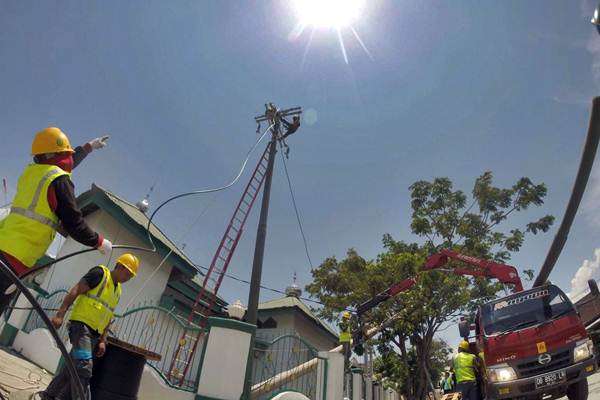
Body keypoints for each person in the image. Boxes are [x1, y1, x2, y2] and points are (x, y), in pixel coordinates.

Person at [0, 127, 112, 313]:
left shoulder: (32, 174)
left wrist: (88, 147)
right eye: (66, 153)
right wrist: (99, 242)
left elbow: (62, 164)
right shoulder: (59, 180)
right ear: (58, 154)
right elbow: (73, 222)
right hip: (15, 258)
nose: (70, 157)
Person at [37, 253, 139, 400]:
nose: (128, 279)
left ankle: (48, 395)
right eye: (128, 274)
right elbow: (77, 289)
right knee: (84, 367)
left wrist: (103, 340)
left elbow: (109, 315)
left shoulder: (118, 291)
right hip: (81, 327)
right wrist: (60, 314)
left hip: (94, 335)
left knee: (72, 368)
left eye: (131, 276)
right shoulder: (100, 274)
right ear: (120, 266)